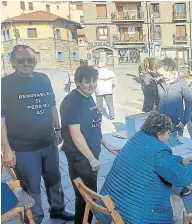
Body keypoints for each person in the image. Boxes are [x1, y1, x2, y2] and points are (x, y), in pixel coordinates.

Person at [1, 44, 75, 223]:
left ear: (35, 61)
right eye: (21, 60)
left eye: (30, 60)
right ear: (12, 62)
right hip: (24, 148)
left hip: (48, 143)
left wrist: (57, 129)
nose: (26, 63)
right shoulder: (5, 84)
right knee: (31, 186)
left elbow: (51, 105)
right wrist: (7, 150)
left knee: (54, 179)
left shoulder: (43, 78)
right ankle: (34, 219)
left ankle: (58, 210)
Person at [97, 112, 192, 224]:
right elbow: (182, 178)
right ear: (159, 134)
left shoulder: (137, 138)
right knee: (177, 202)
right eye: (168, 133)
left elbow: (155, 159)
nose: (168, 137)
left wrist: (180, 160)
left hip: (109, 209)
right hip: (132, 218)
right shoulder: (159, 152)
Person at [60, 65, 121, 224]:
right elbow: (76, 135)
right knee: (86, 196)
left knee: (88, 194)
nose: (92, 85)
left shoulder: (88, 97)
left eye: (94, 81)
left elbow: (93, 127)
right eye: (88, 82)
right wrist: (91, 159)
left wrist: (107, 145)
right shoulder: (72, 102)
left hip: (90, 154)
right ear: (78, 82)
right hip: (80, 157)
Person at [156, 57, 192, 137]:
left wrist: (184, 121)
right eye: (159, 75)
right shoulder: (159, 83)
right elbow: (156, 101)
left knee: (175, 146)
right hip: (161, 122)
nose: (160, 77)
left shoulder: (181, 83)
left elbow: (189, 103)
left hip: (176, 123)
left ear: (171, 70)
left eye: (162, 74)